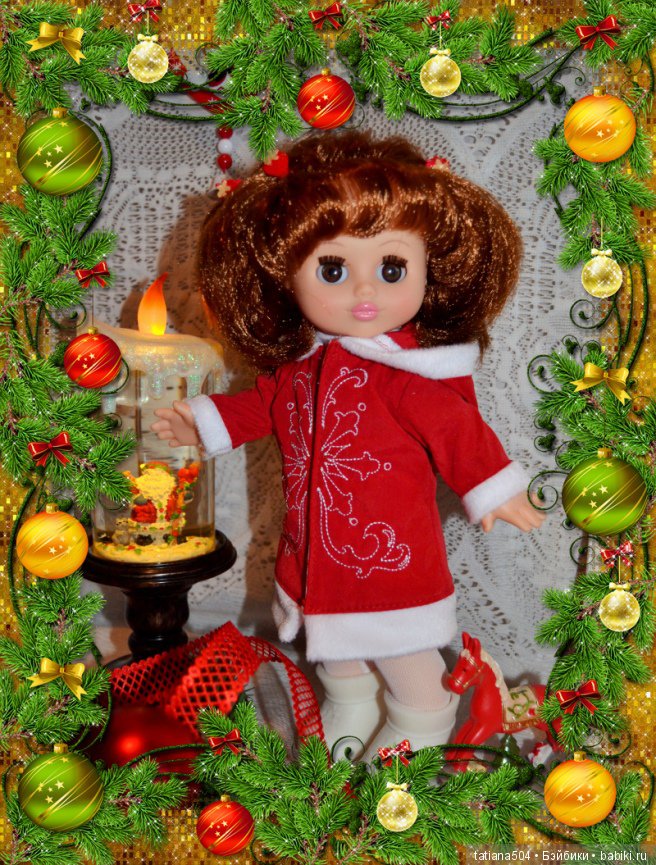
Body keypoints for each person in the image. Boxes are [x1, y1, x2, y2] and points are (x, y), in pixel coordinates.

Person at [151, 130, 545, 760]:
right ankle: (350, 710)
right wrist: (203, 423)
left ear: (428, 270)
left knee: (403, 656)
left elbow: (457, 428)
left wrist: (491, 484)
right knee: (335, 652)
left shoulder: (406, 379)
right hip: (313, 554)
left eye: (391, 269)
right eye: (333, 270)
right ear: (286, 277)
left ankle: (421, 723)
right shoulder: (300, 370)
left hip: (390, 565)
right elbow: (260, 407)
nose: (365, 292)